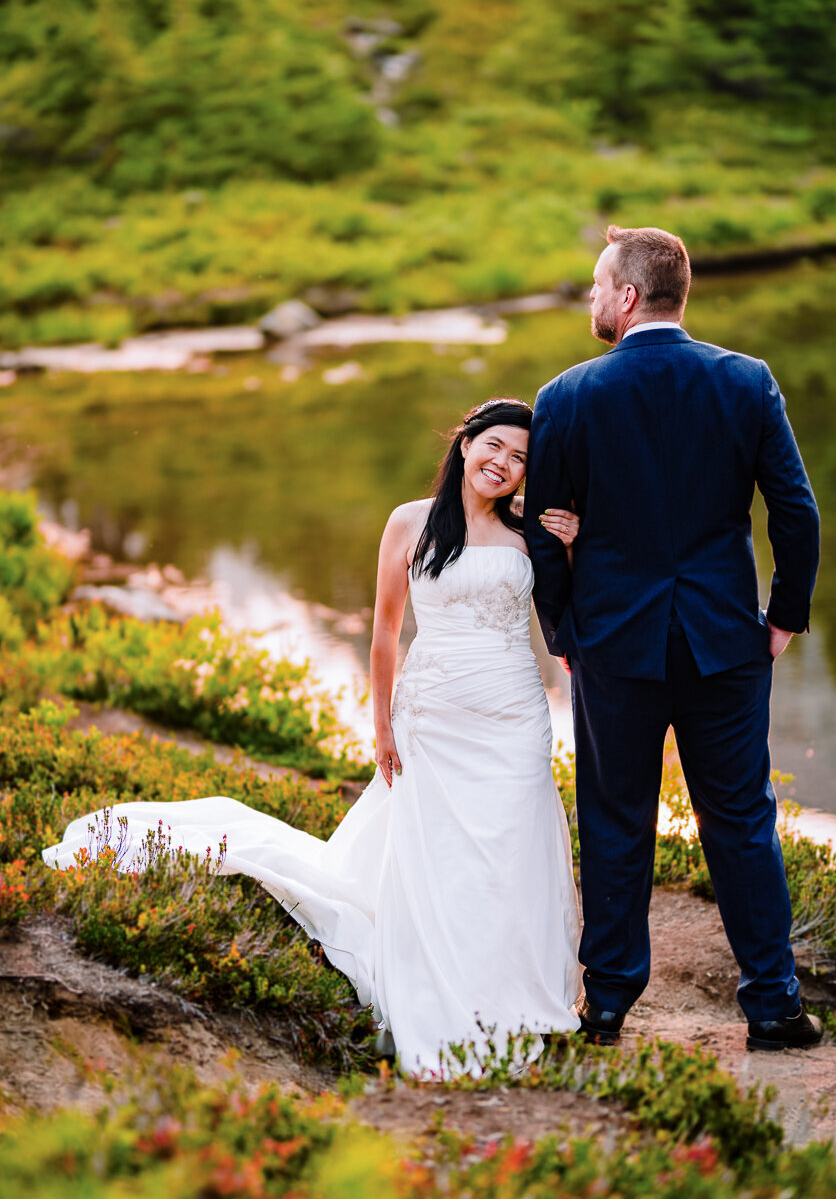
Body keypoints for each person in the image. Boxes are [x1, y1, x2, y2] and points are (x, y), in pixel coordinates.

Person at [43, 399, 583, 1075]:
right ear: (467, 442)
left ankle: (520, 989)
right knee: (442, 851)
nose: (503, 464)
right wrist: (381, 723)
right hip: (434, 715)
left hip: (512, 716)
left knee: (514, 846)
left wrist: (570, 548)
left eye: (521, 459)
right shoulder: (410, 522)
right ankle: (449, 985)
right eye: (494, 446)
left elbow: (568, 623)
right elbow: (385, 632)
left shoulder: (531, 532)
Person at [523, 225, 822, 1052]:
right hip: (727, 643)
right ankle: (772, 1006)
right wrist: (784, 619)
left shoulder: (568, 396)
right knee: (740, 822)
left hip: (613, 646)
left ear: (626, 296)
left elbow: (544, 536)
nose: (590, 298)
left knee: (616, 820)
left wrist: (565, 630)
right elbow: (795, 515)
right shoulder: (746, 381)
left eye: (594, 285)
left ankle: (608, 1005)